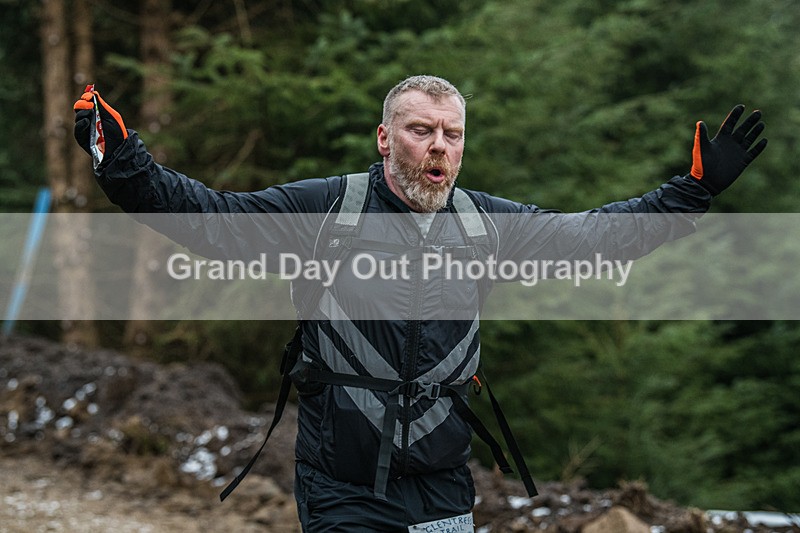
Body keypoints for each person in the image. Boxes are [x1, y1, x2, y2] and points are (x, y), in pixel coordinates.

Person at [74, 75, 766, 532]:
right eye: (420, 130)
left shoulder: (485, 224)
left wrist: (692, 192)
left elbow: (594, 237)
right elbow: (209, 218)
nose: (438, 146)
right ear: (385, 138)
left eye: (451, 134)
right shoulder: (326, 210)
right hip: (342, 485)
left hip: (441, 483)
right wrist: (123, 160)